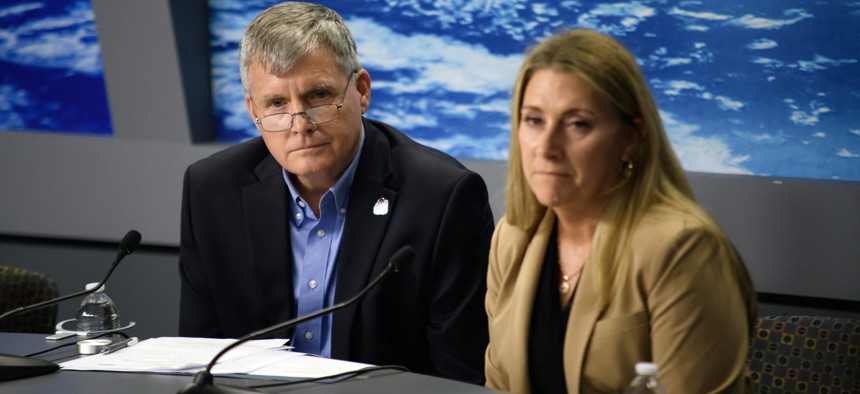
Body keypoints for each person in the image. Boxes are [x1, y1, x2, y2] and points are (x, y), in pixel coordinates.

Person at [178, 2, 494, 384]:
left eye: (318, 96)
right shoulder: (212, 191)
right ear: (253, 111)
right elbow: (199, 361)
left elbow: (457, 378)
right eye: (277, 103)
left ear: (361, 91)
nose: (300, 124)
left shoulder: (441, 198)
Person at [484, 29, 757, 393]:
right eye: (534, 120)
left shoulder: (682, 250)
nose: (546, 147)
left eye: (577, 123)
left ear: (631, 138)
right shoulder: (512, 238)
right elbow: (498, 383)